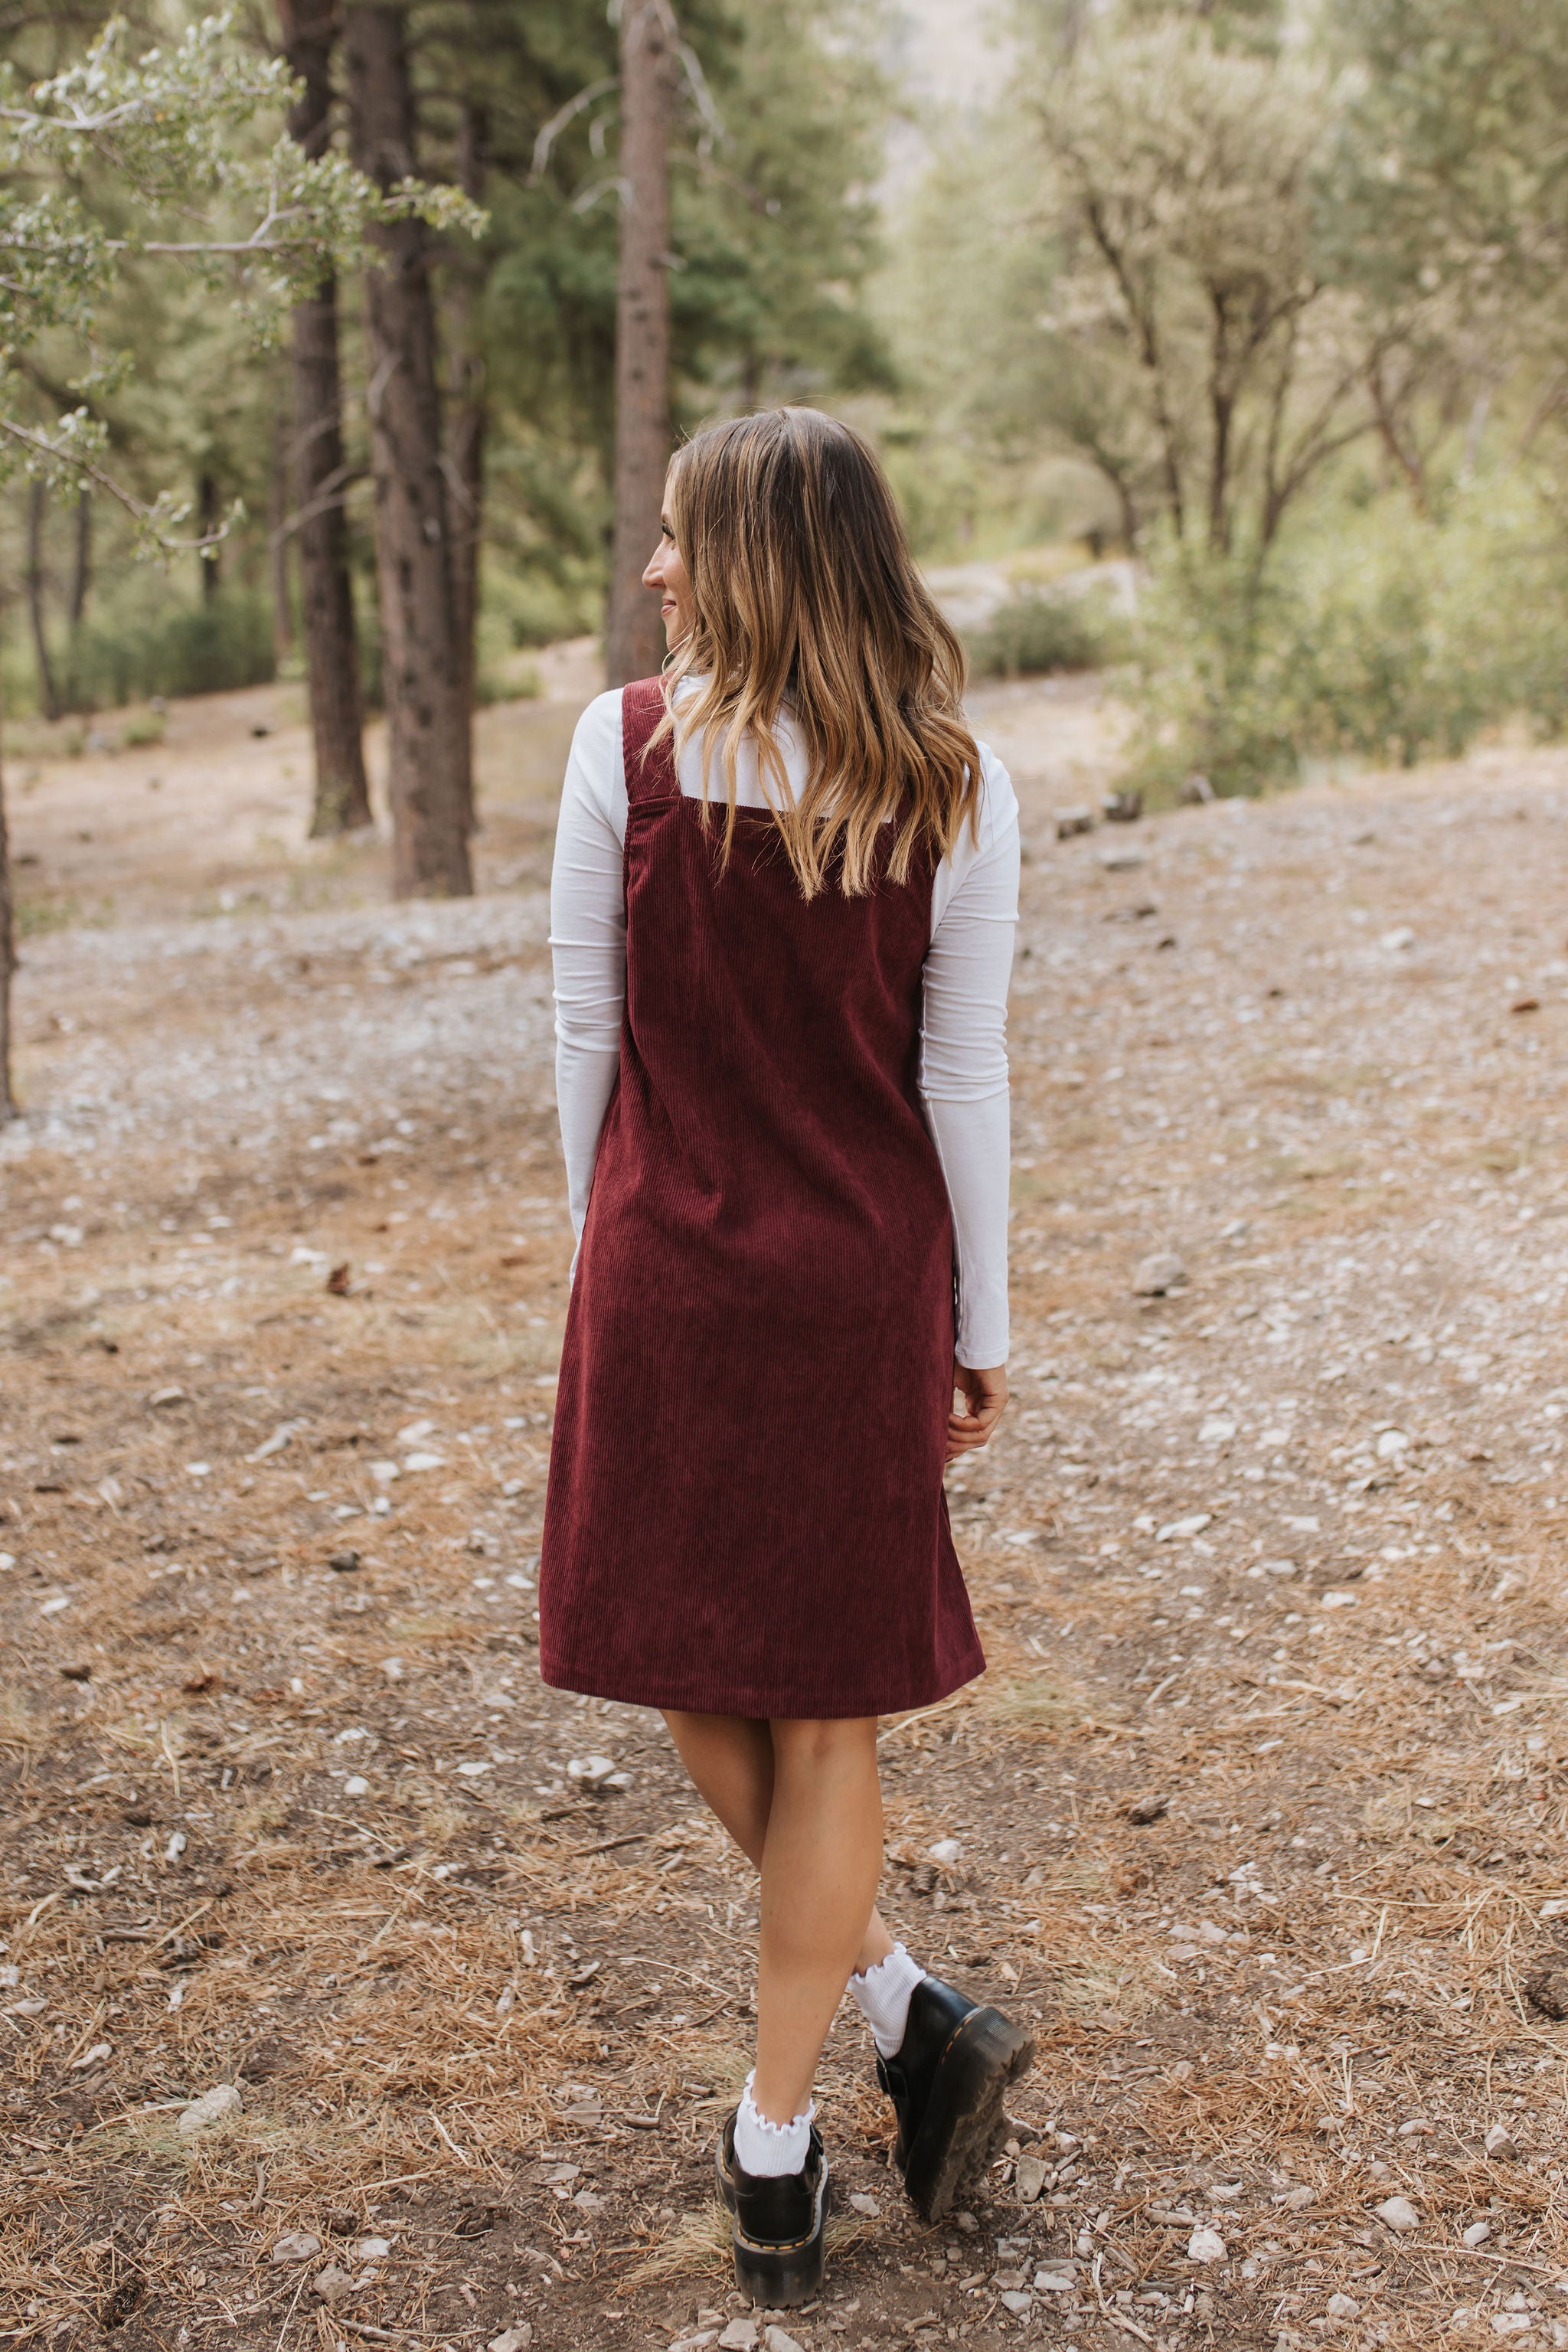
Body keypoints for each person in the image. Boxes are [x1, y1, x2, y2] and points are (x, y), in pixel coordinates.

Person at [540, 407, 1031, 2307]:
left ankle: (791, 2126)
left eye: (676, 538)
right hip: (857, 1289)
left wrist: (598, 1256)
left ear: (747, 555)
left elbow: (586, 1030)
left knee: (692, 1659)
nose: (654, 569)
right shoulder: (956, 786)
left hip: (666, 1268)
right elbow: (958, 1076)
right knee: (811, 1708)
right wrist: (975, 1325)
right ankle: (859, 2060)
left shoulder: (627, 746)